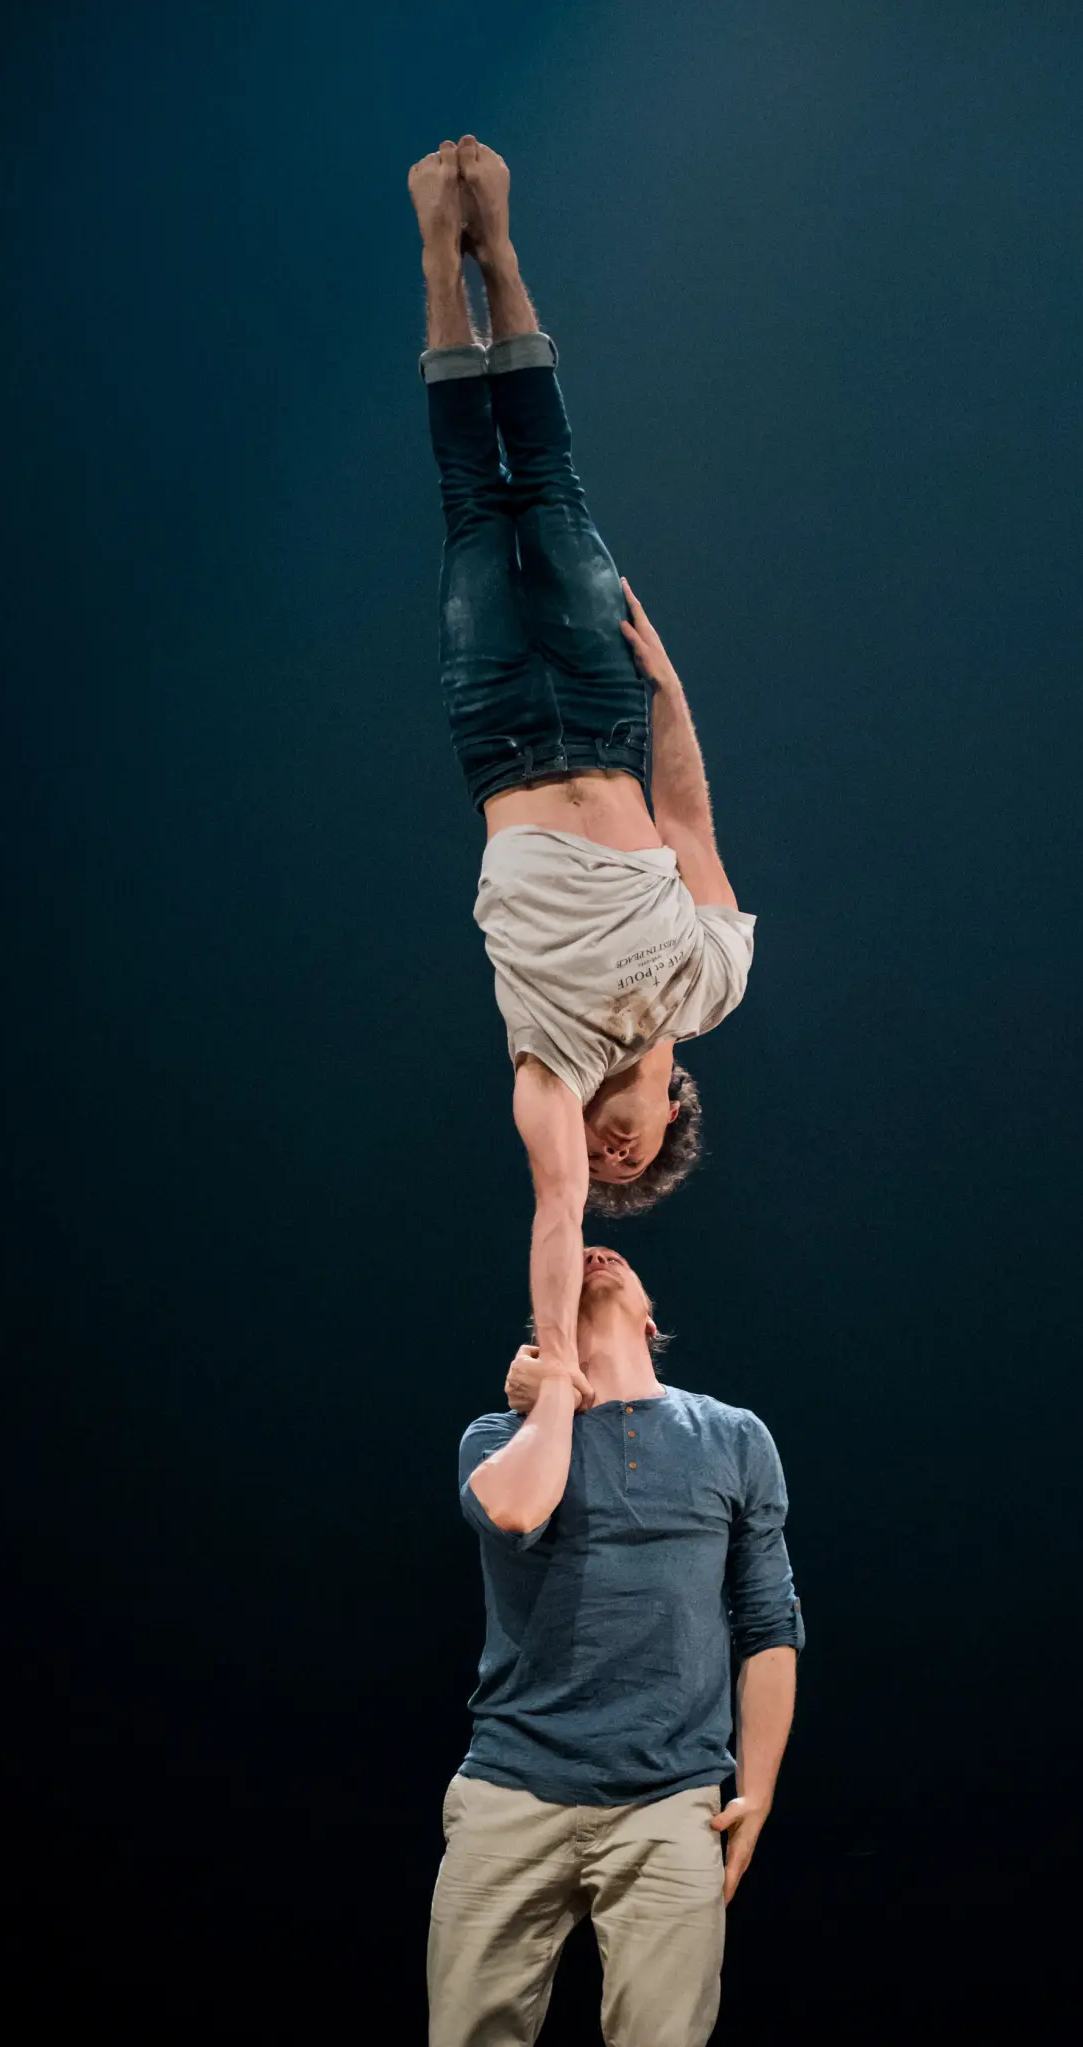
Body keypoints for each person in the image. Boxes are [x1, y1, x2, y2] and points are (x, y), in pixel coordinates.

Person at [404, 1245, 803, 2047]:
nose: (592, 1251)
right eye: (566, 1260)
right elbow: (521, 1508)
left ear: (651, 1306)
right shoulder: (499, 1438)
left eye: (612, 1249)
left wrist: (758, 1789)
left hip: (668, 1799)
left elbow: (769, 1620)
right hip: (511, 1793)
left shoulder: (731, 1437)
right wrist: (560, 1392)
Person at [408, 137, 757, 1395]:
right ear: (671, 1116)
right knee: (546, 483)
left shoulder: (545, 1063)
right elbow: (696, 828)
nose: (612, 1167)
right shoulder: (712, 984)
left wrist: (556, 1366)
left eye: (612, 1177)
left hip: (499, 730)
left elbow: (558, 1215)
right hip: (610, 720)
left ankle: (442, 269)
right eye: (638, 1163)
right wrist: (666, 688)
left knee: (468, 499)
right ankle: (497, 244)